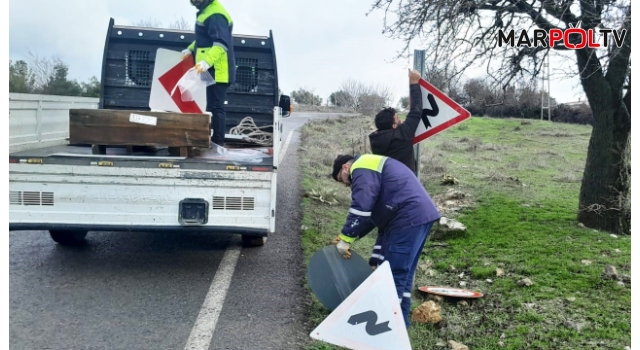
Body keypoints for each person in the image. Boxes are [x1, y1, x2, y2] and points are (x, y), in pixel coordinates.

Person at [331, 153, 441, 329]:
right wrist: (348, 236)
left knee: (392, 275)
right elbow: (370, 217)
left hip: (407, 218)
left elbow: (362, 207)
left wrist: (346, 239)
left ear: (345, 167)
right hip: (417, 216)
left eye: (341, 179)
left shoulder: (361, 166)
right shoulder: (372, 165)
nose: (345, 183)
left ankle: (387, 328)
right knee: (403, 276)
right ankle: (401, 326)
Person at [182, 0, 236, 146]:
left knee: (216, 106)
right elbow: (204, 39)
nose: (194, 1)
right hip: (209, 70)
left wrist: (206, 62)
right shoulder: (207, 11)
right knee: (209, 106)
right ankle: (207, 139)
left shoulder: (215, 14)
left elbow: (221, 43)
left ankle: (217, 143)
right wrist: (191, 49)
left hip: (218, 70)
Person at [369, 69, 423, 173]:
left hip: (389, 183)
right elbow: (416, 111)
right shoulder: (402, 134)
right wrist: (414, 83)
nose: (401, 120)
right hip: (406, 183)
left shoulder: (376, 140)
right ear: (393, 126)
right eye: (397, 118)